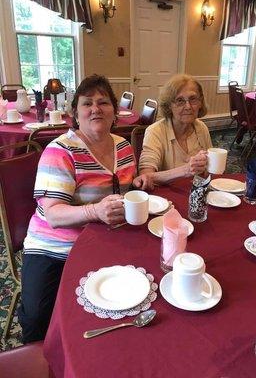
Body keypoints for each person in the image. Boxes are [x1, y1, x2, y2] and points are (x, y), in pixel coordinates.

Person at [18, 74, 136, 343]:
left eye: (103, 102)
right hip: (53, 247)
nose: (96, 108)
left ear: (114, 112)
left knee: (127, 300)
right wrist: (95, 211)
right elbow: (53, 214)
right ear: (76, 113)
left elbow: (125, 195)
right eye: (87, 103)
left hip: (105, 241)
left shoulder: (125, 147)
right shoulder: (60, 150)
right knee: (38, 316)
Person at [135, 74, 212, 190]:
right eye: (180, 101)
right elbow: (145, 177)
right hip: (166, 200)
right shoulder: (155, 131)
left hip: (196, 195)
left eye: (193, 99)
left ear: (200, 102)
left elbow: (209, 171)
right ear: (169, 105)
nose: (188, 106)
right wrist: (186, 170)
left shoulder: (201, 128)